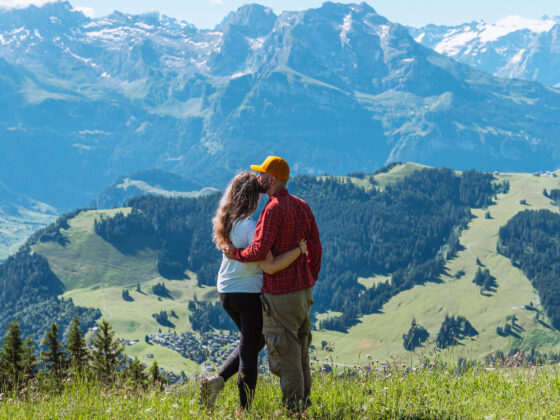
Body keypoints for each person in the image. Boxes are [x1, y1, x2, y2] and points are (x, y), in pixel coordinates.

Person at [198, 171, 307, 410]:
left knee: (254, 342)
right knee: (250, 351)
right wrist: (299, 250)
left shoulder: (227, 222)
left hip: (226, 291)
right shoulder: (251, 226)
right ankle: (244, 410)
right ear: (252, 198)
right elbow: (267, 261)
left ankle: (217, 382)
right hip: (249, 294)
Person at [224, 156, 322, 411]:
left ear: (273, 179)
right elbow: (316, 246)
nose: (259, 179)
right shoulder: (303, 206)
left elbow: (258, 251)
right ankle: (304, 403)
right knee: (301, 351)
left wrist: (234, 254)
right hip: (303, 291)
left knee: (286, 353)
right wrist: (311, 277)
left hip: (280, 293)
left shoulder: (272, 210)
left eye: (262, 175)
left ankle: (293, 409)